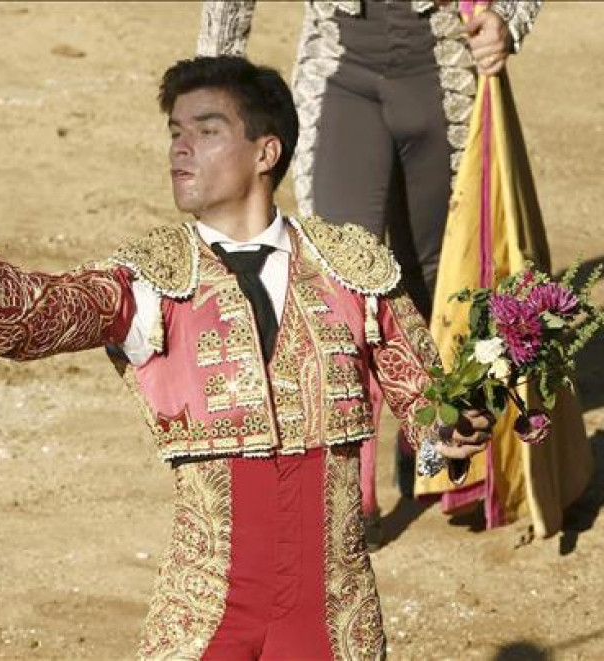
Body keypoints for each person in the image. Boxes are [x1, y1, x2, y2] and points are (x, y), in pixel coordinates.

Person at [0, 55, 493, 659]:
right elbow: (35, 313)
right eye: (175, 132)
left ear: (266, 151)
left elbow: (426, 402)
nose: (181, 147)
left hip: (336, 615)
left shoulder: (352, 270)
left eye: (207, 131)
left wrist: (457, 429)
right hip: (206, 608)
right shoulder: (151, 279)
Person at [197, 0, 542, 540]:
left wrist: (510, 19)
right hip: (340, 63)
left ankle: (431, 432)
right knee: (336, 282)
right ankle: (347, 486)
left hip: (445, 62)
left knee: (437, 279)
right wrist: (215, 76)